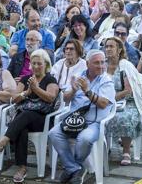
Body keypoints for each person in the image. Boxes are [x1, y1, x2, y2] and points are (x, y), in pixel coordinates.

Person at [0, 49, 58, 182]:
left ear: (46, 64)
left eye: (39, 64)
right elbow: (13, 99)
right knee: (22, 128)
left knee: (25, 115)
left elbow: (51, 98)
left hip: (42, 119)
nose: (36, 66)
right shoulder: (25, 79)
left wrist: (36, 89)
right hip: (23, 120)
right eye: (34, 63)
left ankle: (3, 142)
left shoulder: (50, 79)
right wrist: (26, 93)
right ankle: (22, 168)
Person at [49, 49, 116, 184]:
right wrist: (73, 90)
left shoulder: (106, 80)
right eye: (97, 63)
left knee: (84, 139)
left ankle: (73, 167)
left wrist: (87, 90)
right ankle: (75, 168)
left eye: (103, 62)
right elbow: (66, 99)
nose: (101, 66)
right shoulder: (78, 76)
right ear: (87, 63)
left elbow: (103, 104)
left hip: (94, 122)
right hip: (74, 120)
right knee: (53, 133)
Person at [105, 36, 142, 166]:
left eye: (111, 46)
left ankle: (126, 151)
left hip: (127, 101)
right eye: (106, 46)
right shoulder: (102, 65)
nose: (108, 49)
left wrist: (111, 98)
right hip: (106, 101)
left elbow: (128, 91)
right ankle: (103, 148)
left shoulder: (124, 65)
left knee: (125, 118)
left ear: (119, 50)